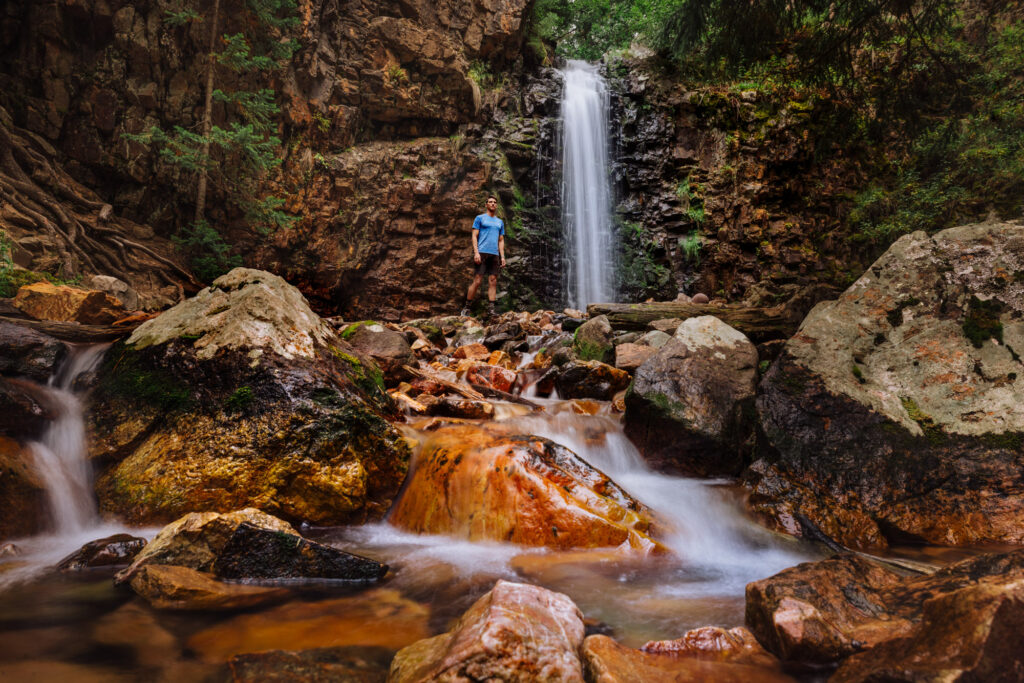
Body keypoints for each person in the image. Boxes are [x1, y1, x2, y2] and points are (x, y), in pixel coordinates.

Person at [461, 195, 506, 317]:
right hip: (482, 252)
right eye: (490, 202)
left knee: (493, 281)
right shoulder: (480, 218)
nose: (492, 204)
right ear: (486, 205)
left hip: (494, 254)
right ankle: (467, 307)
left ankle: (491, 310)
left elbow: (501, 240)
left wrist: (502, 257)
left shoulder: (499, 222)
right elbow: (474, 236)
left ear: (496, 205)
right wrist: (476, 252)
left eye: (494, 202)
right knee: (478, 280)